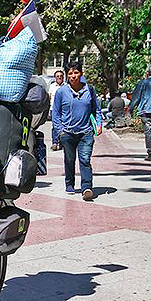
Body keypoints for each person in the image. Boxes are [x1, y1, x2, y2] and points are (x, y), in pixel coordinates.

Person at [52, 61, 102, 201]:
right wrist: (60, 131)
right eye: (70, 74)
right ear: (67, 76)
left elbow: (96, 110)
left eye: (76, 73)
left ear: (81, 74)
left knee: (85, 159)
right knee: (69, 159)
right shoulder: (61, 92)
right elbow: (56, 113)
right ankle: (69, 183)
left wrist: (98, 124)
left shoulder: (89, 90)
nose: (73, 76)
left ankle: (86, 187)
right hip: (67, 133)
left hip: (85, 132)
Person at [48, 70, 65, 150]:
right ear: (55, 78)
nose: (59, 77)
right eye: (57, 76)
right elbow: (49, 97)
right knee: (55, 126)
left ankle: (62, 143)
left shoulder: (66, 86)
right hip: (54, 109)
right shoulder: (52, 86)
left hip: (64, 110)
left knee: (64, 126)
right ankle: (55, 143)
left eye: (61, 76)